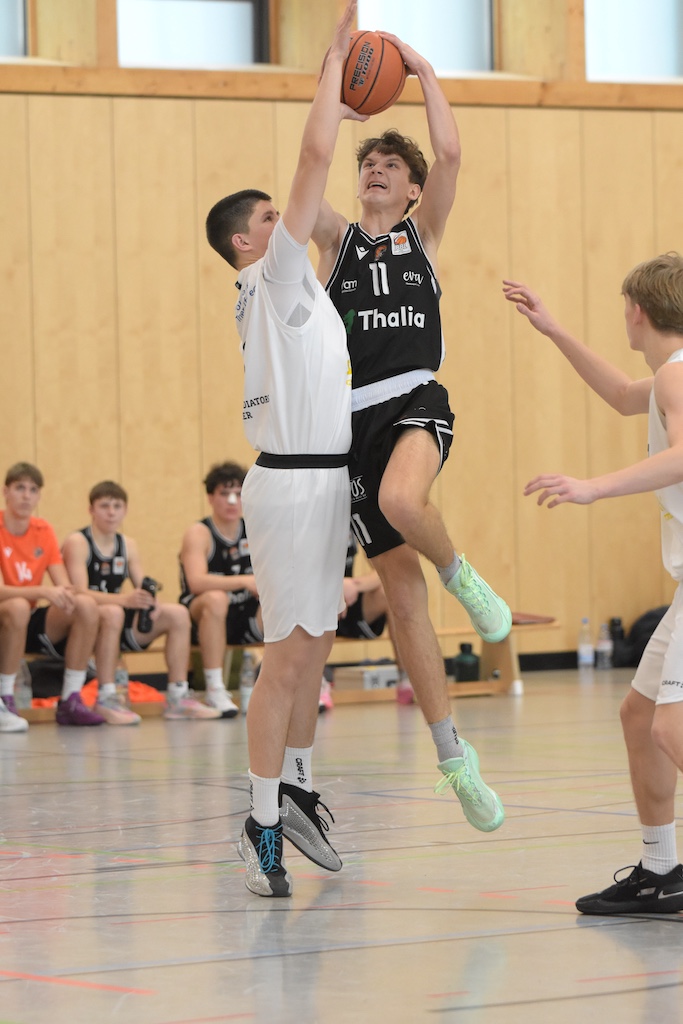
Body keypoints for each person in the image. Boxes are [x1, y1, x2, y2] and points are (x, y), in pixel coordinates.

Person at [313, 36, 509, 830]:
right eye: (369, 165)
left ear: (412, 187)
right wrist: (333, 71)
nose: (375, 172)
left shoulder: (420, 235)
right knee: (400, 599)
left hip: (417, 395)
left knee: (403, 499)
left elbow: (453, 150)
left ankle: (463, 574)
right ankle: (453, 760)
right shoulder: (336, 240)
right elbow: (313, 151)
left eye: (391, 166)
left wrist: (424, 72)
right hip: (356, 414)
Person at [204, 0, 364, 898]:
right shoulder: (270, 273)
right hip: (294, 484)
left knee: (313, 647)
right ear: (245, 239)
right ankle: (262, 818)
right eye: (270, 215)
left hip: (314, 479)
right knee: (286, 660)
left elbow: (305, 178)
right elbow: (309, 161)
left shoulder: (282, 284)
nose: (286, 216)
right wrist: (333, 79)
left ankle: (295, 787)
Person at [503, 253, 683, 915]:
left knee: (669, 727)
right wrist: (552, 329)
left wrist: (592, 488)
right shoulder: (667, 375)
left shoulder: (677, 377)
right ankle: (661, 869)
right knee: (639, 716)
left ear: (636, 310)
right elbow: (616, 395)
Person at [62, 480, 216, 723]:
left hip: (118, 619)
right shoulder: (78, 542)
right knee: (112, 611)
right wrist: (125, 599)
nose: (111, 512)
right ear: (91, 510)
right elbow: (79, 593)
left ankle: (178, 695)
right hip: (88, 623)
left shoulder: (128, 545)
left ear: (125, 510)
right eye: (104, 506)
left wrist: (150, 601)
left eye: (117, 506)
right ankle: (106, 697)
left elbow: (140, 583)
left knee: (176, 613)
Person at [0, 462, 101, 730]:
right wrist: (43, 591)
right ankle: (5, 697)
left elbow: (64, 586)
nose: (26, 495)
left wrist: (67, 595)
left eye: (33, 490)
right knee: (18, 605)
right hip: (6, 614)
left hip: (27, 617)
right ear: (5, 492)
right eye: (19, 488)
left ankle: (71, 698)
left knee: (84, 605)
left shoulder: (43, 530)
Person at [179, 462, 263, 718]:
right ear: (210, 498)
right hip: (203, 615)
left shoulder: (255, 529)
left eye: (238, 493)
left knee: (286, 599)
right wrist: (243, 581)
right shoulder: (199, 532)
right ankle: (215, 688)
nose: (232, 500)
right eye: (224, 493)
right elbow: (196, 582)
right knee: (215, 599)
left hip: (244, 614)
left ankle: (287, 684)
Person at [325, 531, 414, 709]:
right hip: (318, 599)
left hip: (347, 601)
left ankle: (407, 678)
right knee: (308, 600)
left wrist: (353, 586)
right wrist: (331, 590)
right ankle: (316, 681)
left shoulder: (353, 521)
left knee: (391, 591)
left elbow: (385, 570)